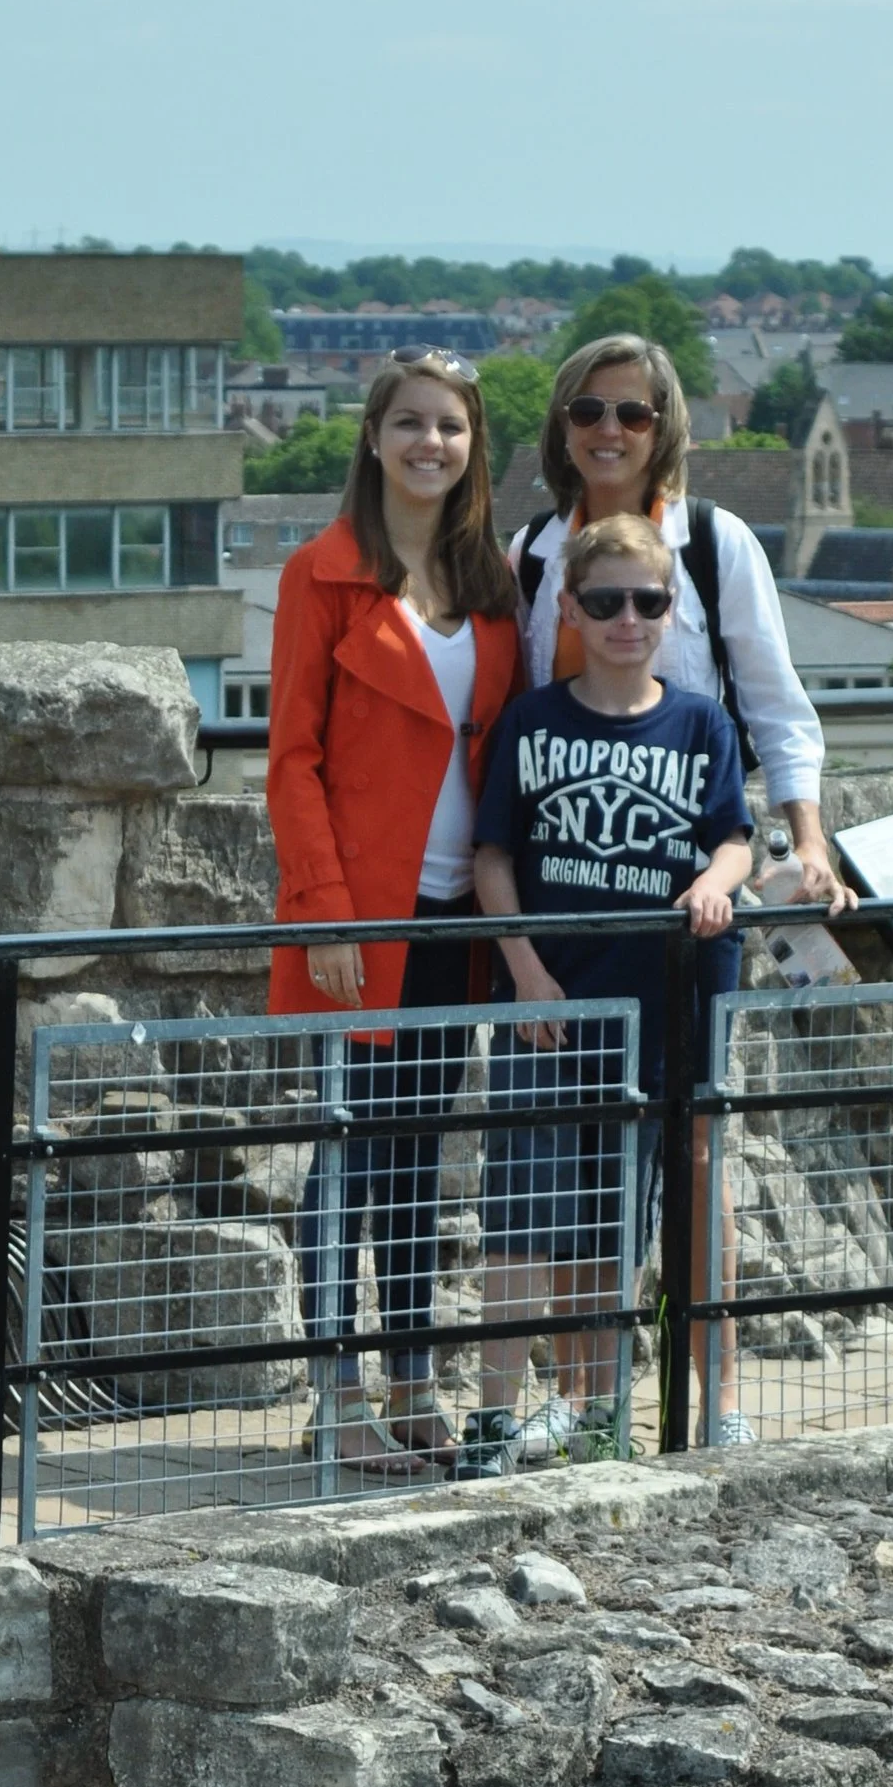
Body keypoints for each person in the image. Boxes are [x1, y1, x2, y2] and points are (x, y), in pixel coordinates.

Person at [508, 327, 848, 1443]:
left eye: (635, 413)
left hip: (690, 891)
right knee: (567, 1158)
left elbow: (774, 700)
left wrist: (807, 840)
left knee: (698, 1155)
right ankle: (578, 1397)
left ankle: (719, 1401)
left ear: (667, 429)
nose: (610, 430)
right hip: (567, 905)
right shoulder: (530, 552)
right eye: (590, 411)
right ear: (561, 428)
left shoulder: (710, 542)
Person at [266, 352, 522, 1472]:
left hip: (457, 917)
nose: (431, 443)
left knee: (418, 1156)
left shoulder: (491, 580)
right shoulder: (317, 576)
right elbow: (290, 760)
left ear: (475, 447)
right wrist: (323, 912)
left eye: (452, 427)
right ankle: (337, 1400)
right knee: (347, 1155)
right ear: (371, 438)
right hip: (359, 916)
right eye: (410, 423)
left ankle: (413, 1382)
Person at [461, 510, 751, 1476]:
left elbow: (735, 836)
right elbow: (494, 853)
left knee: (648, 1211)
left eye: (648, 600)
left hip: (668, 997)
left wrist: (716, 881)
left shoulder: (700, 720)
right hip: (557, 1002)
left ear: (671, 611)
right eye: (605, 601)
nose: (628, 618)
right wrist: (525, 971)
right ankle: (504, 1416)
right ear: (573, 610)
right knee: (530, 1212)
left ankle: (651, 1410)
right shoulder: (534, 719)